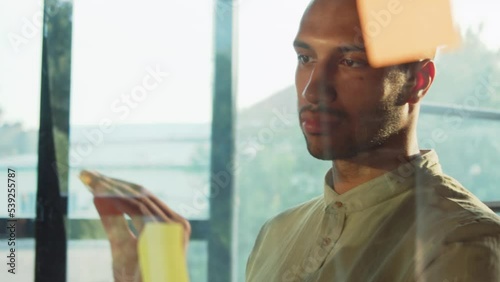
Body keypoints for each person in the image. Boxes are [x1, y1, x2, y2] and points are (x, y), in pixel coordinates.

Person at [87, 0, 500, 281]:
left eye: (350, 60)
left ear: (418, 81)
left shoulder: (463, 244)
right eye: (305, 59)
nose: (312, 91)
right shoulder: (276, 233)